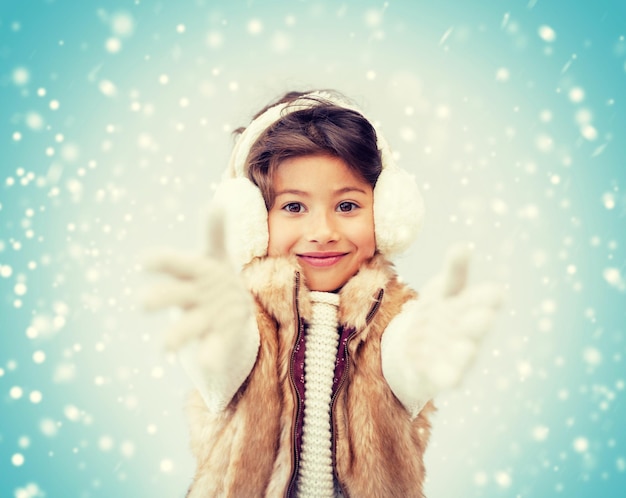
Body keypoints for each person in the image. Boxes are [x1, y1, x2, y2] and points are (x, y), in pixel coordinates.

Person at [143, 90, 502, 497]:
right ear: (254, 221)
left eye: (347, 206)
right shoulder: (246, 316)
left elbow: (404, 363)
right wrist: (215, 325)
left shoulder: (393, 322)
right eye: (294, 208)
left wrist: (424, 344)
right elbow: (222, 363)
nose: (324, 232)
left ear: (385, 213)